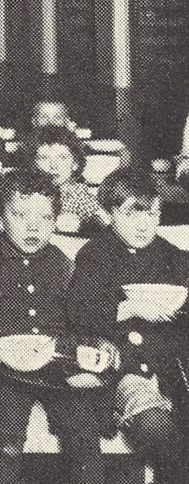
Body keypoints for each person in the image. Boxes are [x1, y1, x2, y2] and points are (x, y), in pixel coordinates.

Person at [0, 169, 106, 484]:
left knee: (84, 435)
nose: (33, 226)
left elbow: (83, 317)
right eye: (20, 215)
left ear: (56, 220)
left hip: (58, 367)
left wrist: (92, 343)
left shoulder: (64, 263)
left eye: (45, 218)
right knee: (6, 445)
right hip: (4, 371)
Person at [66, 169, 189, 483]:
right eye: (132, 213)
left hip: (174, 369)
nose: (144, 224)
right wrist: (128, 307)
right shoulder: (94, 254)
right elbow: (78, 314)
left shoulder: (176, 258)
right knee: (157, 428)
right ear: (110, 213)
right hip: (125, 370)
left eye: (152, 213)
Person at [21, 126, 109, 230]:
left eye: (62, 158)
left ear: (75, 164)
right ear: (33, 164)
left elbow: (103, 220)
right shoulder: (25, 191)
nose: (53, 166)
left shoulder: (77, 193)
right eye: (44, 158)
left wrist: (82, 224)